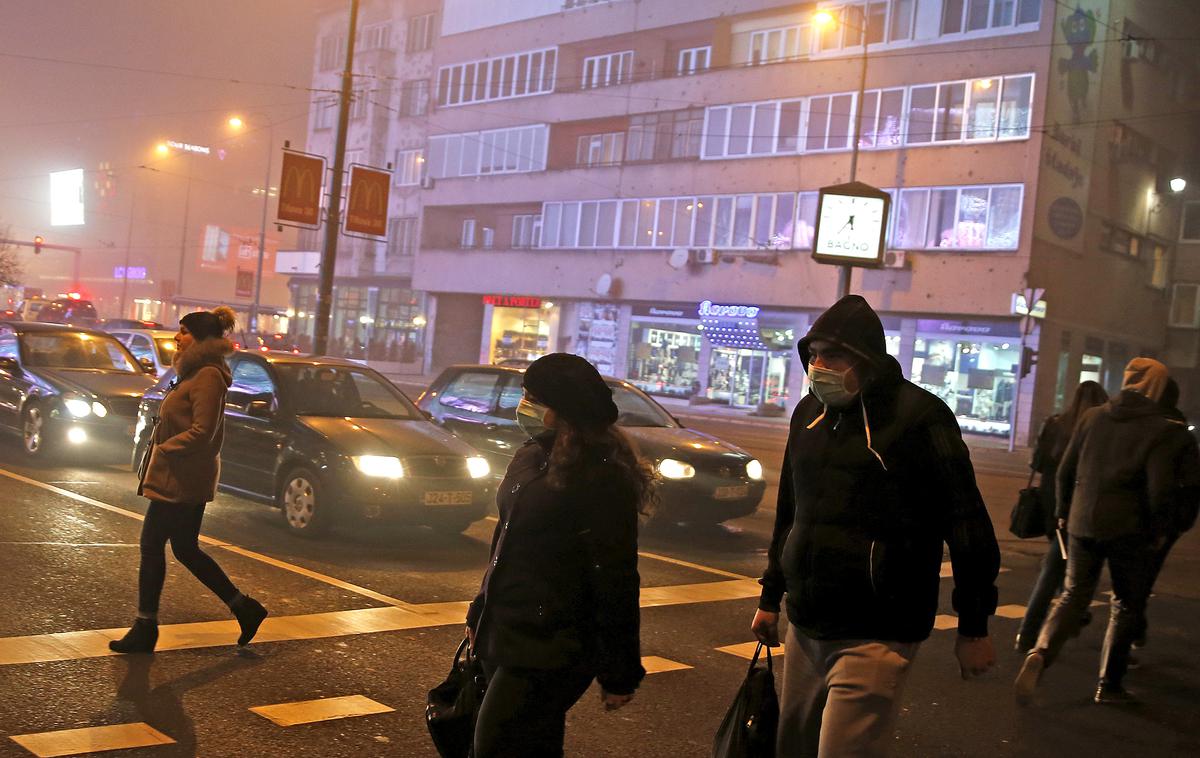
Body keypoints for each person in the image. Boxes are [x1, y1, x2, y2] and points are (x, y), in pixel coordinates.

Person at [751, 295, 1000, 757]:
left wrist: (974, 627)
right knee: (794, 749)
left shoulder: (920, 418)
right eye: (814, 354)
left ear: (866, 358)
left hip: (878, 628)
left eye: (835, 355)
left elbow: (967, 525)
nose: (819, 365)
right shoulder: (808, 415)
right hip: (806, 625)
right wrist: (771, 597)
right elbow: (791, 512)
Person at [465, 353, 654, 757]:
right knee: (531, 746)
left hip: (553, 644)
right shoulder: (531, 456)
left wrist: (620, 670)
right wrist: (479, 611)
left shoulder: (600, 477)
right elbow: (506, 539)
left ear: (564, 409)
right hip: (504, 630)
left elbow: (616, 575)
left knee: (494, 745)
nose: (524, 406)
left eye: (534, 397)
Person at [1015, 358, 1199, 705]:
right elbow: (1159, 489)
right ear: (1157, 387)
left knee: (1072, 594)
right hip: (1130, 528)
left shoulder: (1094, 416)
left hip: (1082, 521)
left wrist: (1062, 514)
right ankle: (1109, 684)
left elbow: (1066, 470)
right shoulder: (1164, 429)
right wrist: (1161, 529)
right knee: (1125, 604)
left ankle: (1040, 651)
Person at [109, 307, 268, 654]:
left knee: (152, 546)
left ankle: (145, 626)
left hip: (181, 476)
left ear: (199, 339)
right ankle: (245, 607)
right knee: (185, 548)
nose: (177, 337)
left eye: (183, 331)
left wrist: (166, 449)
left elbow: (204, 431)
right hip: (179, 474)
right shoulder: (193, 372)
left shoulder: (208, 376)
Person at [1014, 381, 1109, 653]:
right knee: (1057, 566)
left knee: (1062, 559)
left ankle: (1065, 616)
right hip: (1077, 504)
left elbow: (1038, 463)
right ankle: (1033, 630)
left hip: (1049, 501)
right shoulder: (1097, 427)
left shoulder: (1055, 423)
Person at [1133, 378, 1200, 650]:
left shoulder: (1147, 428)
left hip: (1140, 516)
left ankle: (1129, 636)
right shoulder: (1181, 432)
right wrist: (1176, 525)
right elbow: (1192, 484)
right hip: (1165, 522)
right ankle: (1131, 636)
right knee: (1141, 579)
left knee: (1131, 581)